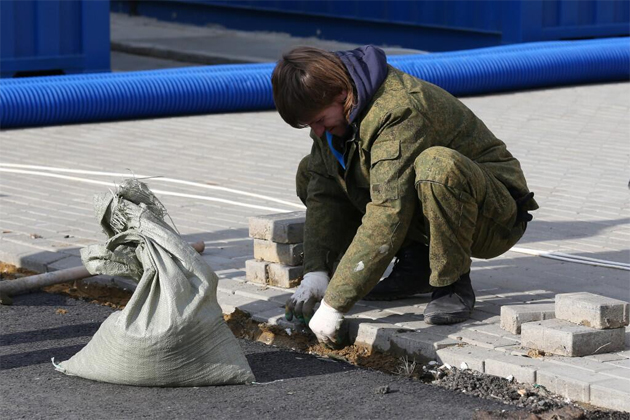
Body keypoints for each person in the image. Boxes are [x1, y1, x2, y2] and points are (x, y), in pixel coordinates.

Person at [271, 45, 537, 347]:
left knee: (437, 167)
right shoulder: (338, 113)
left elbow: (388, 212)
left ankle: (452, 282)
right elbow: (324, 191)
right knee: (312, 170)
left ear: (341, 95)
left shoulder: (398, 109)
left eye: (319, 120)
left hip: (493, 217)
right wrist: (316, 271)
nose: (318, 131)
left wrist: (335, 302)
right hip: (431, 201)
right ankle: (417, 264)